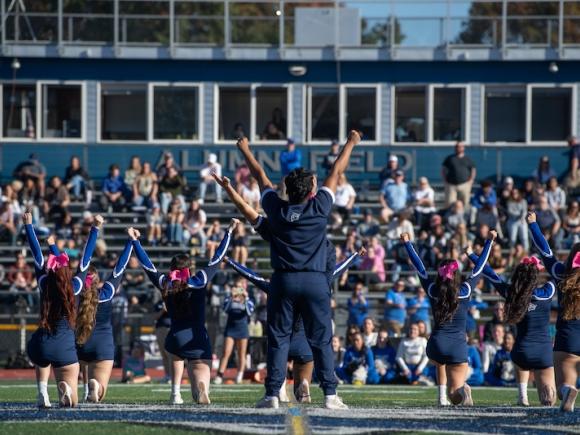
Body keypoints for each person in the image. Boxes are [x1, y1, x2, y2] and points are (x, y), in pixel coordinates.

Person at [235, 130, 361, 409]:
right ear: (312, 190)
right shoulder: (320, 207)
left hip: (283, 280)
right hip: (315, 280)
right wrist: (351, 142)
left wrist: (245, 149)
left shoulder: (276, 210)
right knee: (321, 340)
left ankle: (272, 395)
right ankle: (330, 395)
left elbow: (260, 176)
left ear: (288, 190)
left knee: (278, 339)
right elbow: (337, 169)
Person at [225, 247, 363, 403]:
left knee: (278, 358)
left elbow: (252, 276)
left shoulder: (279, 284)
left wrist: (230, 261)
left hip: (282, 344)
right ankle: (304, 385)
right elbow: (339, 268)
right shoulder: (319, 281)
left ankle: (280, 387)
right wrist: (355, 255)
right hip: (305, 344)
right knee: (303, 375)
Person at [128, 219, 237, 405]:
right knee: (200, 374)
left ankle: (175, 393)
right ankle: (199, 387)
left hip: (175, 336)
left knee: (175, 355)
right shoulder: (199, 280)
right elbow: (217, 258)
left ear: (172, 269)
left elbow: (147, 266)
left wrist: (135, 242)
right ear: (190, 269)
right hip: (197, 337)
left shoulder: (166, 283)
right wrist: (229, 232)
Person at [401, 229, 495, 407]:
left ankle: (441, 397)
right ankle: (460, 390)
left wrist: (407, 244)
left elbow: (419, 267)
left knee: (439, 363)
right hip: (458, 346)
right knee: (456, 394)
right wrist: (489, 242)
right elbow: (480, 267)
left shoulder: (432, 291)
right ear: (457, 275)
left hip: (436, 345)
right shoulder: (465, 290)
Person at [23, 211, 102, 408]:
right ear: (67, 271)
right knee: (72, 402)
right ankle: (65, 388)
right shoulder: (75, 286)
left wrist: (29, 226)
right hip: (64, 347)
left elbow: (36, 254)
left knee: (41, 356)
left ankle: (42, 392)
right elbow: (86, 256)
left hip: (41, 345)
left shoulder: (44, 283)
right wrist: (95, 228)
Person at [467, 249, 557, 406]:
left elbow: (489, 273)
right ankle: (549, 395)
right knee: (549, 398)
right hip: (543, 351)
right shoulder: (547, 292)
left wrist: (471, 255)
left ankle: (522, 396)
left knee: (520, 363)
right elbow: (559, 274)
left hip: (522, 350)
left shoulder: (511, 294)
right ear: (535, 277)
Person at [70, 233, 133, 403]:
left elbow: (83, 260)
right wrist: (131, 242)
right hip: (102, 345)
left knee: (78, 369)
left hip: (78, 344)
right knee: (100, 393)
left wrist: (94, 229)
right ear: (97, 280)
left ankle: (78, 390)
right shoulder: (105, 293)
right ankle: (95, 388)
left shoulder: (74, 294)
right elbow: (119, 268)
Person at [528, 211, 580, 412]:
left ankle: (568, 392)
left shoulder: (561, 274)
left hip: (568, 336)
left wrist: (533, 224)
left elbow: (545, 251)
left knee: (562, 386)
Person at [214, 278, 255, 385]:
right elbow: (225, 309)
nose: (238, 289)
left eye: (240, 287)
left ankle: (240, 374)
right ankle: (219, 375)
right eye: (236, 286)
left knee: (241, 353)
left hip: (242, 329)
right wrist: (232, 297)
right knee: (226, 352)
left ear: (245, 287)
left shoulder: (249, 300)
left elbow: (249, 312)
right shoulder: (229, 298)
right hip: (231, 328)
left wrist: (245, 298)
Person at [441, 142, 476, 208]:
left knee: (465, 203)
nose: (458, 148)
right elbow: (443, 170)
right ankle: (449, 217)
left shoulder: (468, 159)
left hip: (464, 185)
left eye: (460, 147)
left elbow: (473, 170)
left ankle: (464, 217)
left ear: (463, 148)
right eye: (457, 147)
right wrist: (445, 180)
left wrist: (471, 181)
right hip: (451, 185)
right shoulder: (449, 158)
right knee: (450, 204)